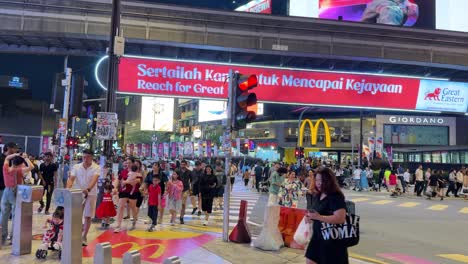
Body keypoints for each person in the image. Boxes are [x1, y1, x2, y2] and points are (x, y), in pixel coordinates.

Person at [305, 167, 348, 264]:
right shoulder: (318, 195)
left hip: (331, 240)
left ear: (329, 180)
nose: (318, 183)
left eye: (322, 180)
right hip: (317, 238)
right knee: (310, 260)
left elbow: (340, 218)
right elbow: (316, 213)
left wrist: (318, 217)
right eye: (316, 180)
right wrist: (310, 218)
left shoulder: (336, 196)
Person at [67, 149, 99, 246]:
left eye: (88, 157)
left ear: (92, 157)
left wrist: (88, 189)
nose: (85, 159)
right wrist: (67, 189)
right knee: (77, 214)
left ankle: (84, 236)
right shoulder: (76, 167)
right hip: (78, 193)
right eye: (84, 157)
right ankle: (76, 233)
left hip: (91, 194)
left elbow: (94, 179)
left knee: (88, 216)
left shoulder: (96, 167)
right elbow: (71, 179)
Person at [1, 152, 34, 245]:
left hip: (6, 192)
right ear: (20, 164)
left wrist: (16, 154)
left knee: (4, 216)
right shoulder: (19, 170)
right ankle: (12, 238)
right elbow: (31, 167)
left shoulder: (6, 168)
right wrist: (26, 158)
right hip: (15, 193)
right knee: (16, 216)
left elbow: (7, 158)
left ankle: (2, 238)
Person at [0, 142, 20, 210]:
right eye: (14, 148)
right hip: (1, 187)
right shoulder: (1, 158)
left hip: (9, 187)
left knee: (6, 209)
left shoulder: (13, 160)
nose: (16, 150)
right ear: (8, 148)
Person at [178, 160, 192, 224]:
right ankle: (181, 213)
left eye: (184, 164)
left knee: (183, 203)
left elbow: (192, 181)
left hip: (186, 189)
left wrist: (191, 190)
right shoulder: (178, 171)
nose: (183, 166)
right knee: (179, 204)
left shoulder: (189, 172)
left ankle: (181, 217)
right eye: (182, 164)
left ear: (186, 165)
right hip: (178, 189)